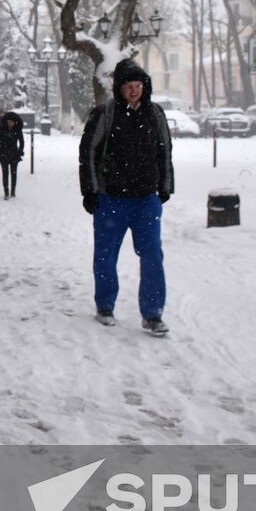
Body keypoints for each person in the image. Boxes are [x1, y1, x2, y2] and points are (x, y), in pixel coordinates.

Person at [78, 59, 173, 336]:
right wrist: (90, 191)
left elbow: (164, 150)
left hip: (146, 199)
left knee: (153, 254)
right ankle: (105, 305)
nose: (134, 91)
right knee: (106, 255)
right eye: (128, 87)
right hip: (111, 200)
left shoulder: (155, 114)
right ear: (118, 88)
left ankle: (153, 314)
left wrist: (164, 186)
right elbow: (89, 154)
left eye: (138, 86)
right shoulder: (104, 115)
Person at [0, 110, 25, 200]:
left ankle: (13, 191)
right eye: (8, 122)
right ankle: (6, 192)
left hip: (14, 154)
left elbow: (22, 141)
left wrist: (20, 150)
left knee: (14, 174)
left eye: (12, 122)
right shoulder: (2, 129)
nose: (10, 124)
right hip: (3, 154)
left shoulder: (17, 130)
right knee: (5, 173)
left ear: (15, 122)